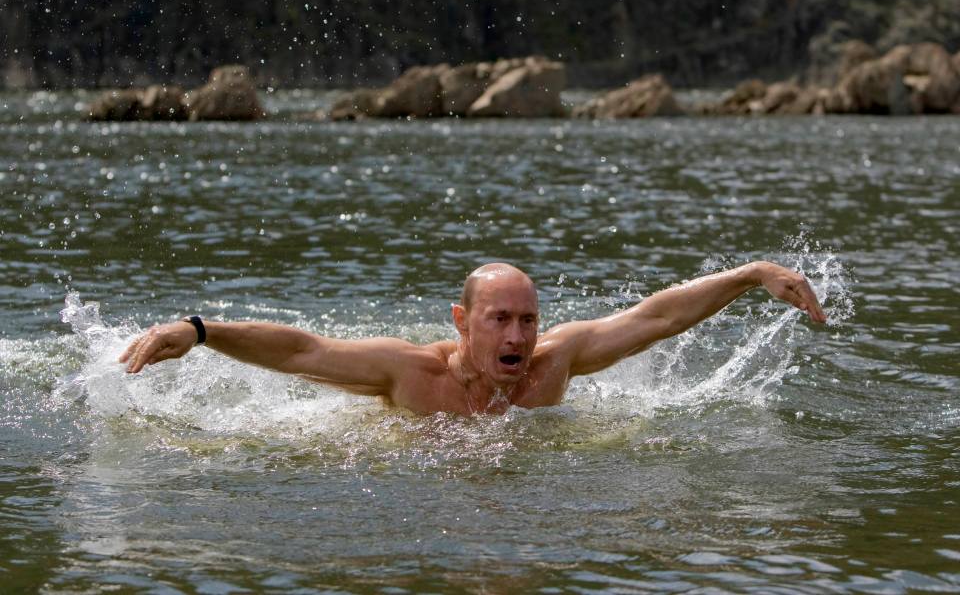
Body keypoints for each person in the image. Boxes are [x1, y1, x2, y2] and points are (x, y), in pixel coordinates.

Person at [120, 261, 826, 415]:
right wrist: (201, 330)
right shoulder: (408, 374)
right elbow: (304, 350)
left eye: (527, 318)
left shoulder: (556, 364)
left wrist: (752, 275)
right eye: (500, 319)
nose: (519, 334)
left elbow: (655, 318)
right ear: (462, 324)